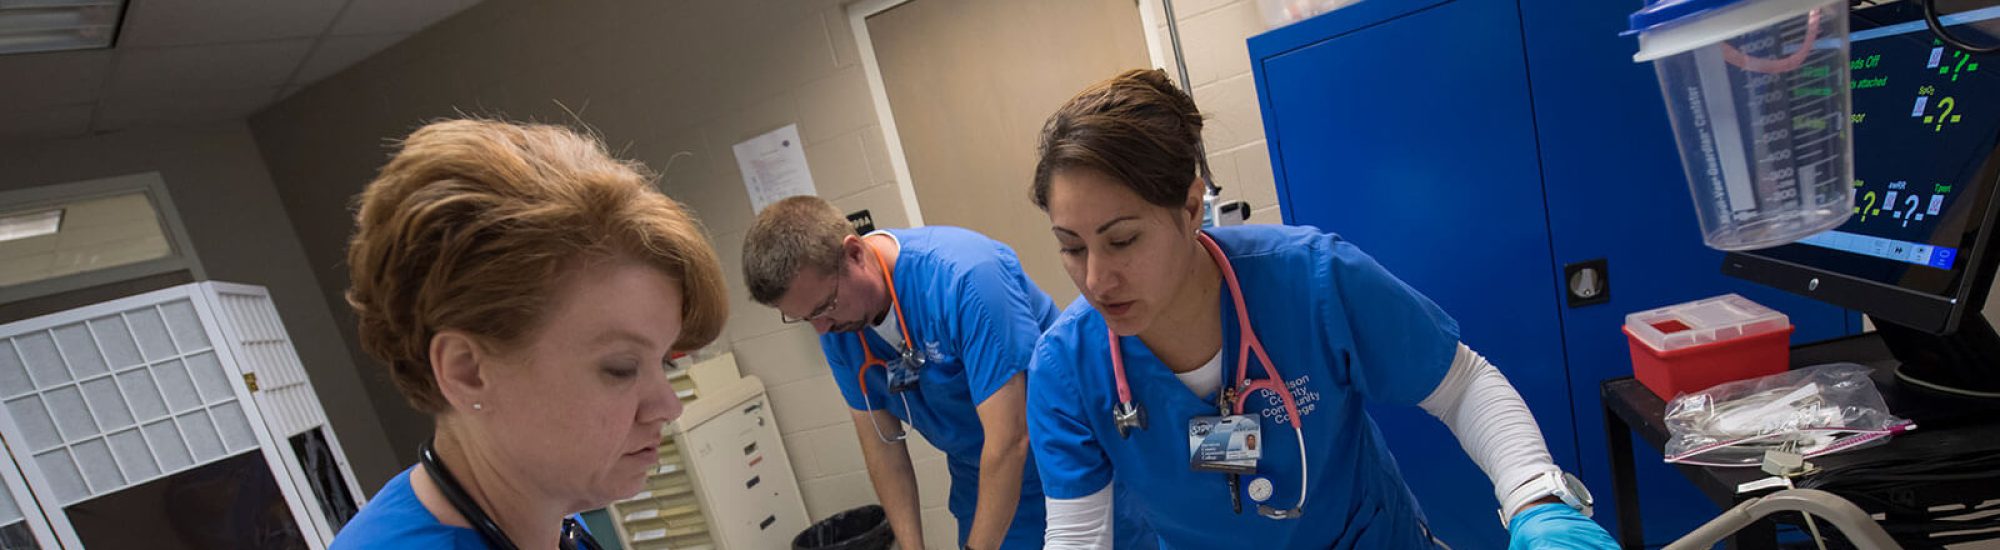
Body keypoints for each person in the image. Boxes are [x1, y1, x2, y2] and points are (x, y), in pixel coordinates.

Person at [1024, 69, 1620, 549]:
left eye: (1122, 239)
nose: (1096, 279)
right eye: (1071, 247)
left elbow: (1461, 383)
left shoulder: (1311, 280)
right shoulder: (1066, 366)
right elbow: (1078, 534)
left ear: (1190, 207)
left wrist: (1535, 499)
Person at [331, 119, 729, 550]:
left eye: (664, 361)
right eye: (621, 368)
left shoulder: (540, 500)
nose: (668, 407)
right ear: (467, 372)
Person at [743, 196, 1153, 549]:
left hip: (1074, 467)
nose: (821, 328)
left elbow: (1011, 438)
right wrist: (911, 545)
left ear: (855, 254)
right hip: (982, 483)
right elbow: (882, 448)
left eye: (824, 306)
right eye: (802, 318)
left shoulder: (966, 278)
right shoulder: (839, 327)